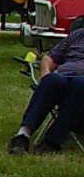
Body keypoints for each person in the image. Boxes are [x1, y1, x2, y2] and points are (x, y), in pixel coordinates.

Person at [7, 23, 84, 154]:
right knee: (52, 80)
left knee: (80, 84)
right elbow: (49, 58)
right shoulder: (78, 34)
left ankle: (52, 141)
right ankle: (22, 136)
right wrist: (45, 75)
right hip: (64, 78)